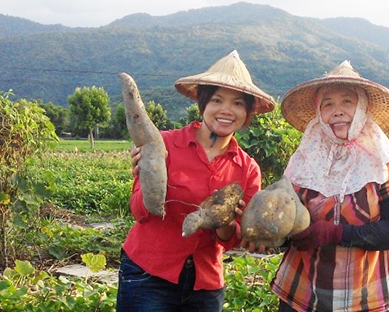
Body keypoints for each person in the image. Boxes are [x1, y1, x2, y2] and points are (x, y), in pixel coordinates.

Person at [116, 50, 275, 312]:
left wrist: (225, 221)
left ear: (247, 113)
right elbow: (140, 212)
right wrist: (148, 179)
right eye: (217, 100)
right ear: (203, 104)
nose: (226, 110)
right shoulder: (164, 144)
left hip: (205, 285)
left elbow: (231, 240)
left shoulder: (247, 169)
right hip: (148, 275)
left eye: (237, 103)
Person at [270, 60, 389, 311]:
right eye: (328, 104)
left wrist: (335, 233)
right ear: (319, 112)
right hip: (302, 295)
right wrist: (274, 234)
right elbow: (286, 224)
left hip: (366, 297)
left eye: (347, 101)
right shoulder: (304, 162)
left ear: (363, 109)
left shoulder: (386, 164)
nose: (337, 111)